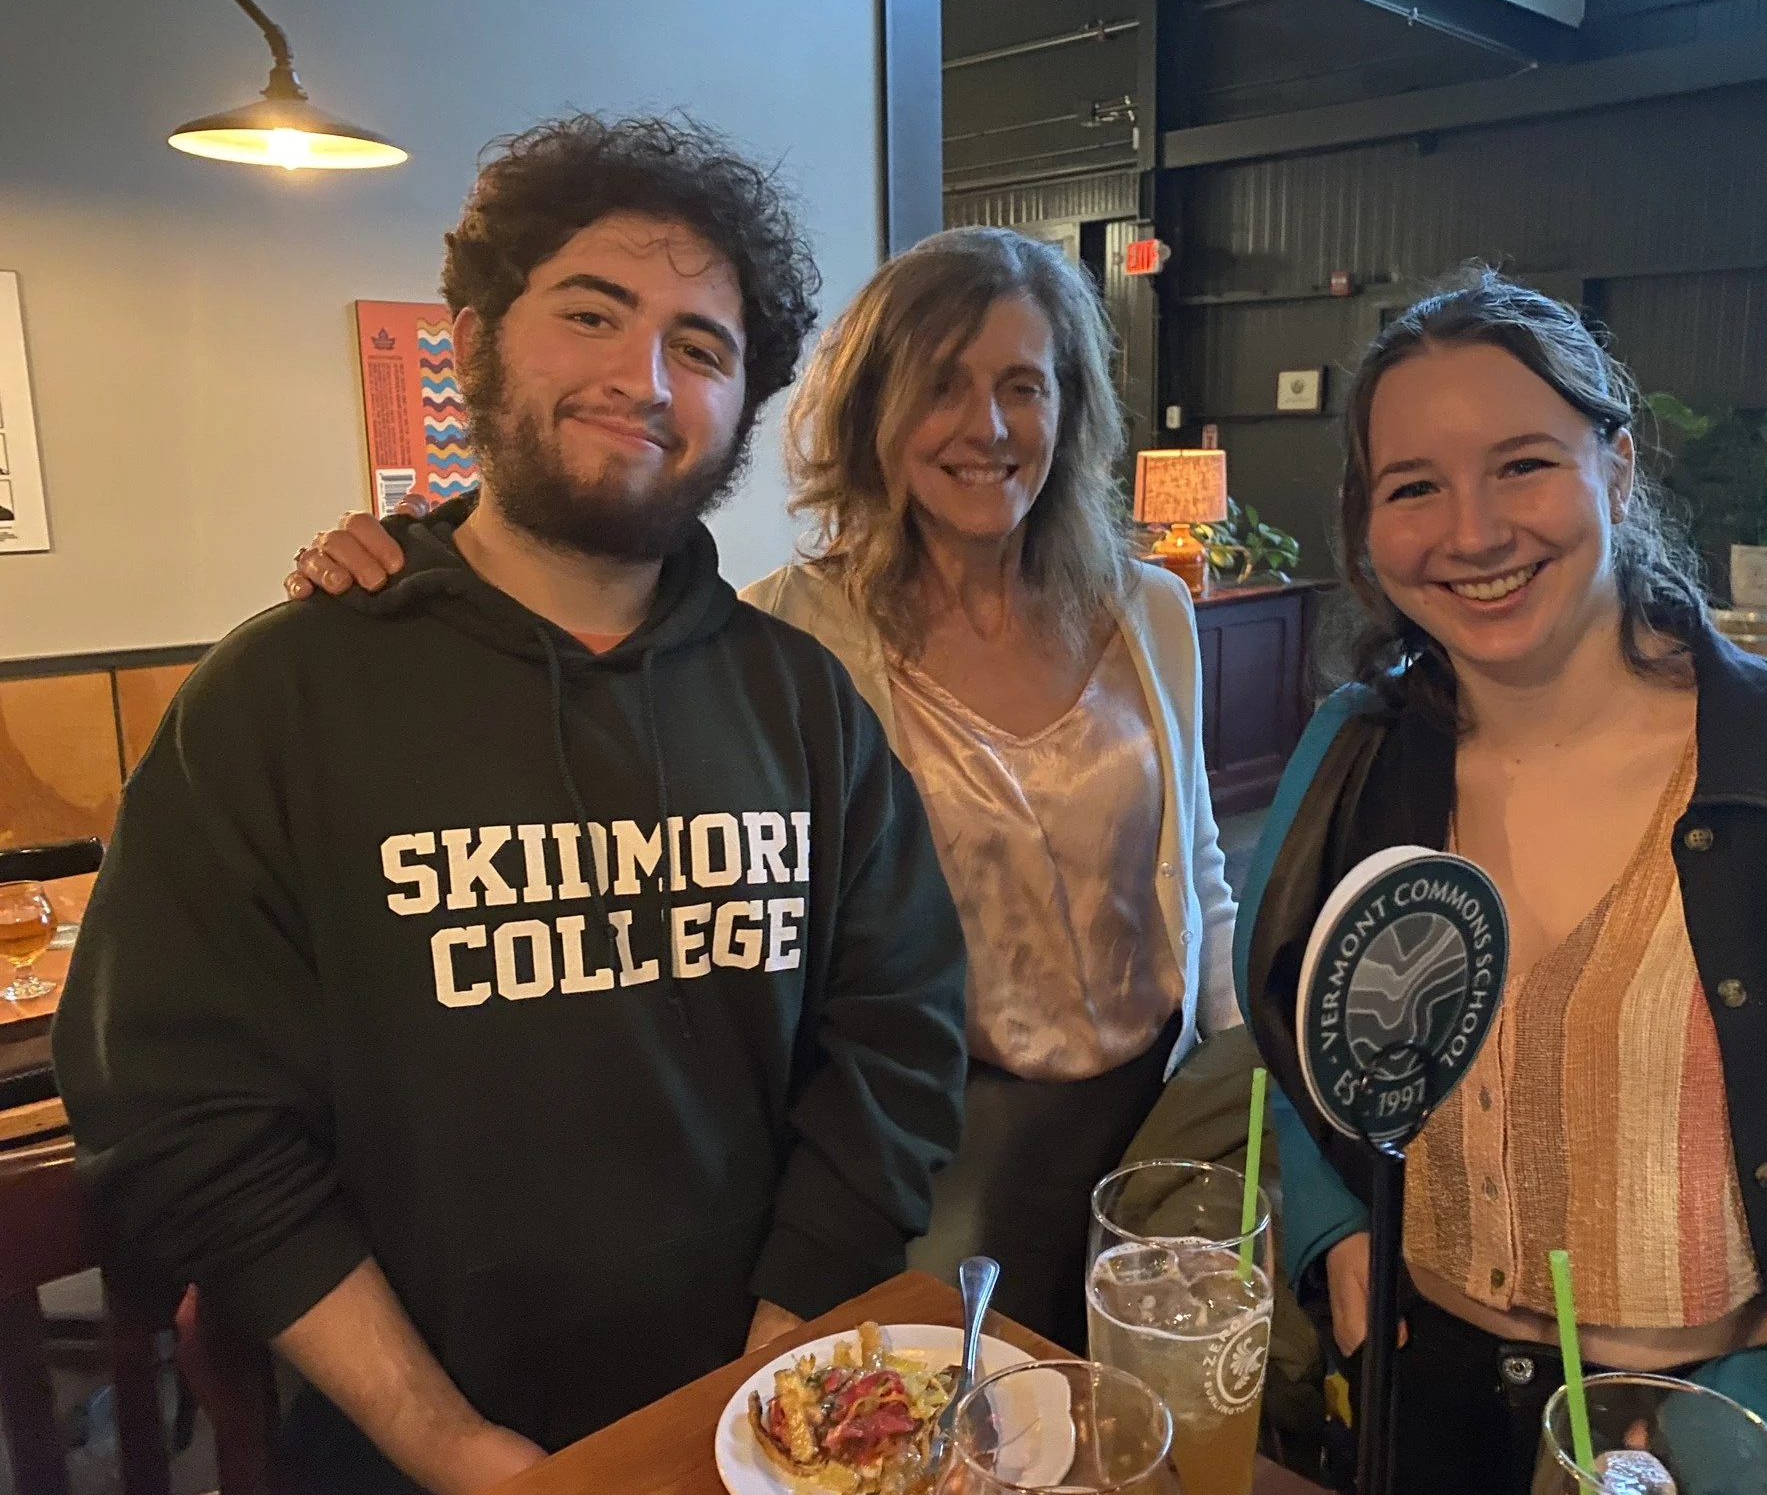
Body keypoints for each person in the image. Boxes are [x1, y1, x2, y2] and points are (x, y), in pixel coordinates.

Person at [54, 114, 968, 1495]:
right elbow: (178, 1111)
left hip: (756, 1428)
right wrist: (442, 1441)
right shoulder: (281, 694)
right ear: (475, 337)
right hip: (400, 1452)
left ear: (743, 407)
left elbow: (897, 1037)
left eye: (701, 346)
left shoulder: (802, 705)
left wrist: (764, 1379)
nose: (641, 376)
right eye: (591, 312)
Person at [287, 225, 1241, 1350]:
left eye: (1021, 387)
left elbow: (1204, 877)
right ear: (874, 412)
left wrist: (1232, 1072)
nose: (986, 427)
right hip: (928, 1144)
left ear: (1066, 409)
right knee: (953, 1435)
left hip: (1153, 1115)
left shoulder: (1152, 614)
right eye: (941, 386)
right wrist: (416, 567)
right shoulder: (788, 635)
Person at [1233, 270, 1767, 1492]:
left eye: (1521, 464)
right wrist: (1335, 1229)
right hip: (1422, 1418)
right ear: (1365, 525)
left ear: (1613, 470)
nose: (1470, 532)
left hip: (1740, 1441)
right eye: (1414, 487)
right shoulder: (1352, 759)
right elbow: (1298, 1033)